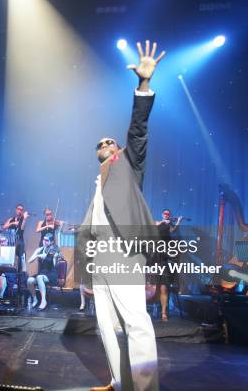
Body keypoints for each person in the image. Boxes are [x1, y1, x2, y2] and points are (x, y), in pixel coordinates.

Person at [78, 40, 165, 391]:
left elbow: (139, 129)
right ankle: (119, 381)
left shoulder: (128, 165)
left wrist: (143, 85)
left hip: (125, 252)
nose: (105, 145)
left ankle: (145, 388)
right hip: (101, 258)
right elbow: (89, 229)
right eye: (99, 144)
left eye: (109, 142)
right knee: (107, 325)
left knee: (135, 321)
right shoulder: (96, 184)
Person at [153, 209, 184, 321]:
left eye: (168, 214)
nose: (167, 215)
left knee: (164, 286)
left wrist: (178, 221)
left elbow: (172, 230)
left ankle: (164, 313)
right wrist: (163, 222)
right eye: (165, 214)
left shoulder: (169, 225)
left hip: (165, 255)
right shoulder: (158, 222)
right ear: (162, 215)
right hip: (155, 254)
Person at [26, 233, 61, 310]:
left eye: (47, 240)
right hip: (42, 273)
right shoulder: (39, 249)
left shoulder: (54, 249)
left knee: (39, 277)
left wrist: (55, 257)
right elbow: (29, 261)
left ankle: (43, 301)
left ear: (51, 242)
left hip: (51, 274)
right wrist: (37, 255)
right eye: (44, 240)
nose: (44, 242)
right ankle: (35, 299)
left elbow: (54, 264)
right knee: (29, 280)